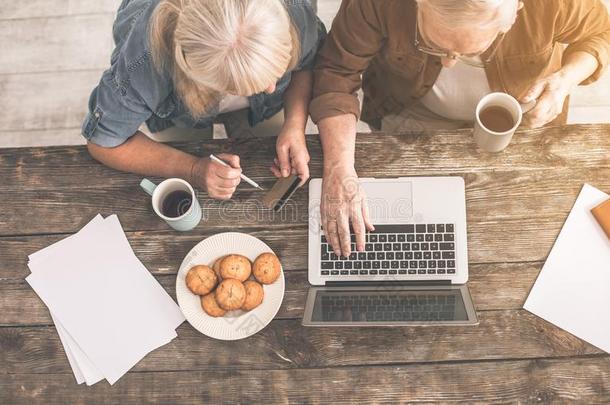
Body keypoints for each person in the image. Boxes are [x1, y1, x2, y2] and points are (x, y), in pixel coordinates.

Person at [309, 0, 610, 257]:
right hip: (411, 111)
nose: (450, 64)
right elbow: (336, 71)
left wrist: (565, 80)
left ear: (516, 10)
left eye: (466, 53)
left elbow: (600, 33)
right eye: (432, 45)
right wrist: (339, 167)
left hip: (523, 119)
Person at [83, 0, 325, 200]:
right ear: (192, 74)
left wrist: (294, 124)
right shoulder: (145, 64)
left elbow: (306, 66)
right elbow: (103, 142)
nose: (273, 88)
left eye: (280, 71)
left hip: (264, 110)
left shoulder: (295, 10)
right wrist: (192, 169)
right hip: (178, 115)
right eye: (239, 87)